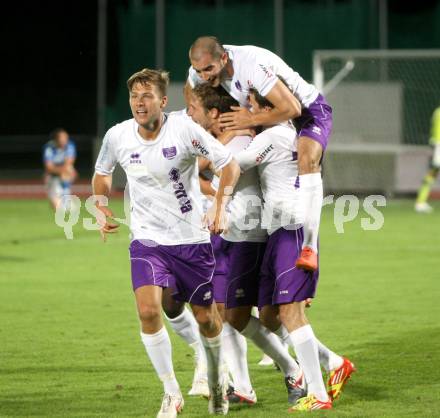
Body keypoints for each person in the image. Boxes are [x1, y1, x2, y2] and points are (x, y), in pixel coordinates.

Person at [92, 68, 241, 417]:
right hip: (147, 240)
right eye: (133, 97)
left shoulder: (184, 129)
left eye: (146, 96)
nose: (139, 103)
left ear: (162, 100)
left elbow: (229, 165)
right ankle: (172, 393)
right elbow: (102, 174)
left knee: (206, 319)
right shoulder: (117, 136)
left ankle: (218, 378)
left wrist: (220, 205)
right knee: (148, 310)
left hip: (191, 240)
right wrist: (100, 208)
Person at [234, 87, 355, 412]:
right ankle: (333, 363)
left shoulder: (273, 135)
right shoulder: (288, 135)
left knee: (289, 312)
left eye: (251, 106)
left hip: (292, 230)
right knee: (271, 314)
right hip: (279, 233)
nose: (247, 111)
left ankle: (318, 394)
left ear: (266, 108)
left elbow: (230, 164)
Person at [188, 83, 308, 406]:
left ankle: (296, 368)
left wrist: (215, 197)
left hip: (246, 236)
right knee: (226, 312)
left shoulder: (243, 140)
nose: (189, 116)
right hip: (225, 236)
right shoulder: (223, 141)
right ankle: (244, 386)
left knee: (242, 315)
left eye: (193, 110)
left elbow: (228, 170)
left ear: (214, 113)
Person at [186, 36, 333, 272]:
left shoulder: (251, 65)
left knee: (307, 160)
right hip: (265, 115)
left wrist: (250, 120)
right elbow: (194, 99)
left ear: (223, 58)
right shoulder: (199, 73)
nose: (204, 76)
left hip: (305, 111)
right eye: (199, 70)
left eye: (209, 69)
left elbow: (292, 108)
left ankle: (309, 247)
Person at [43, 128, 77, 210]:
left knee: (70, 169)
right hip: (52, 175)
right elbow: (49, 167)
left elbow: (70, 161)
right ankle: (61, 198)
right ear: (56, 139)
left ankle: (66, 195)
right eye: (62, 138)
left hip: (64, 171)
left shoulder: (70, 145)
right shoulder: (49, 148)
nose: (65, 140)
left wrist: (65, 171)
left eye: (66, 138)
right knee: (56, 206)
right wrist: (61, 171)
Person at [415, 105, 440, 213]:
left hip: (437, 145)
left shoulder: (437, 111)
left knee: (432, 172)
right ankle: (420, 202)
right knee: (432, 172)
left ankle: (420, 201)